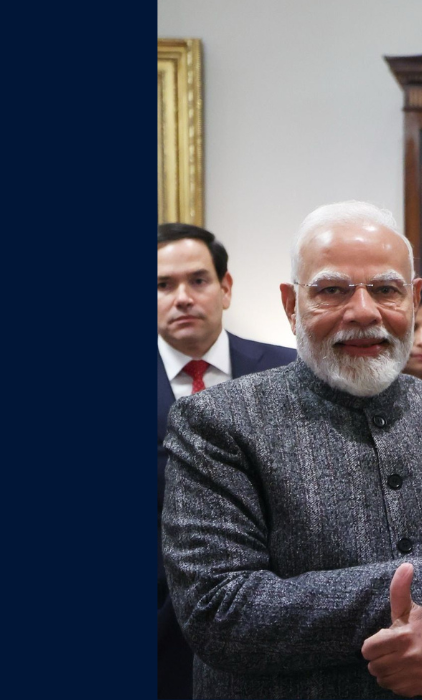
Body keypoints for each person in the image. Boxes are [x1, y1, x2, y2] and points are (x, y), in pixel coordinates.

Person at [162, 201, 422, 699]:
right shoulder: (217, 422)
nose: (365, 311)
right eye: (332, 290)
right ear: (291, 304)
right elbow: (218, 611)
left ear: (413, 299)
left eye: (386, 289)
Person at [157, 222, 298, 699]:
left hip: (270, 619)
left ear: (226, 288)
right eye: (162, 285)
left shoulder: (289, 372)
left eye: (197, 280)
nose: (182, 297)